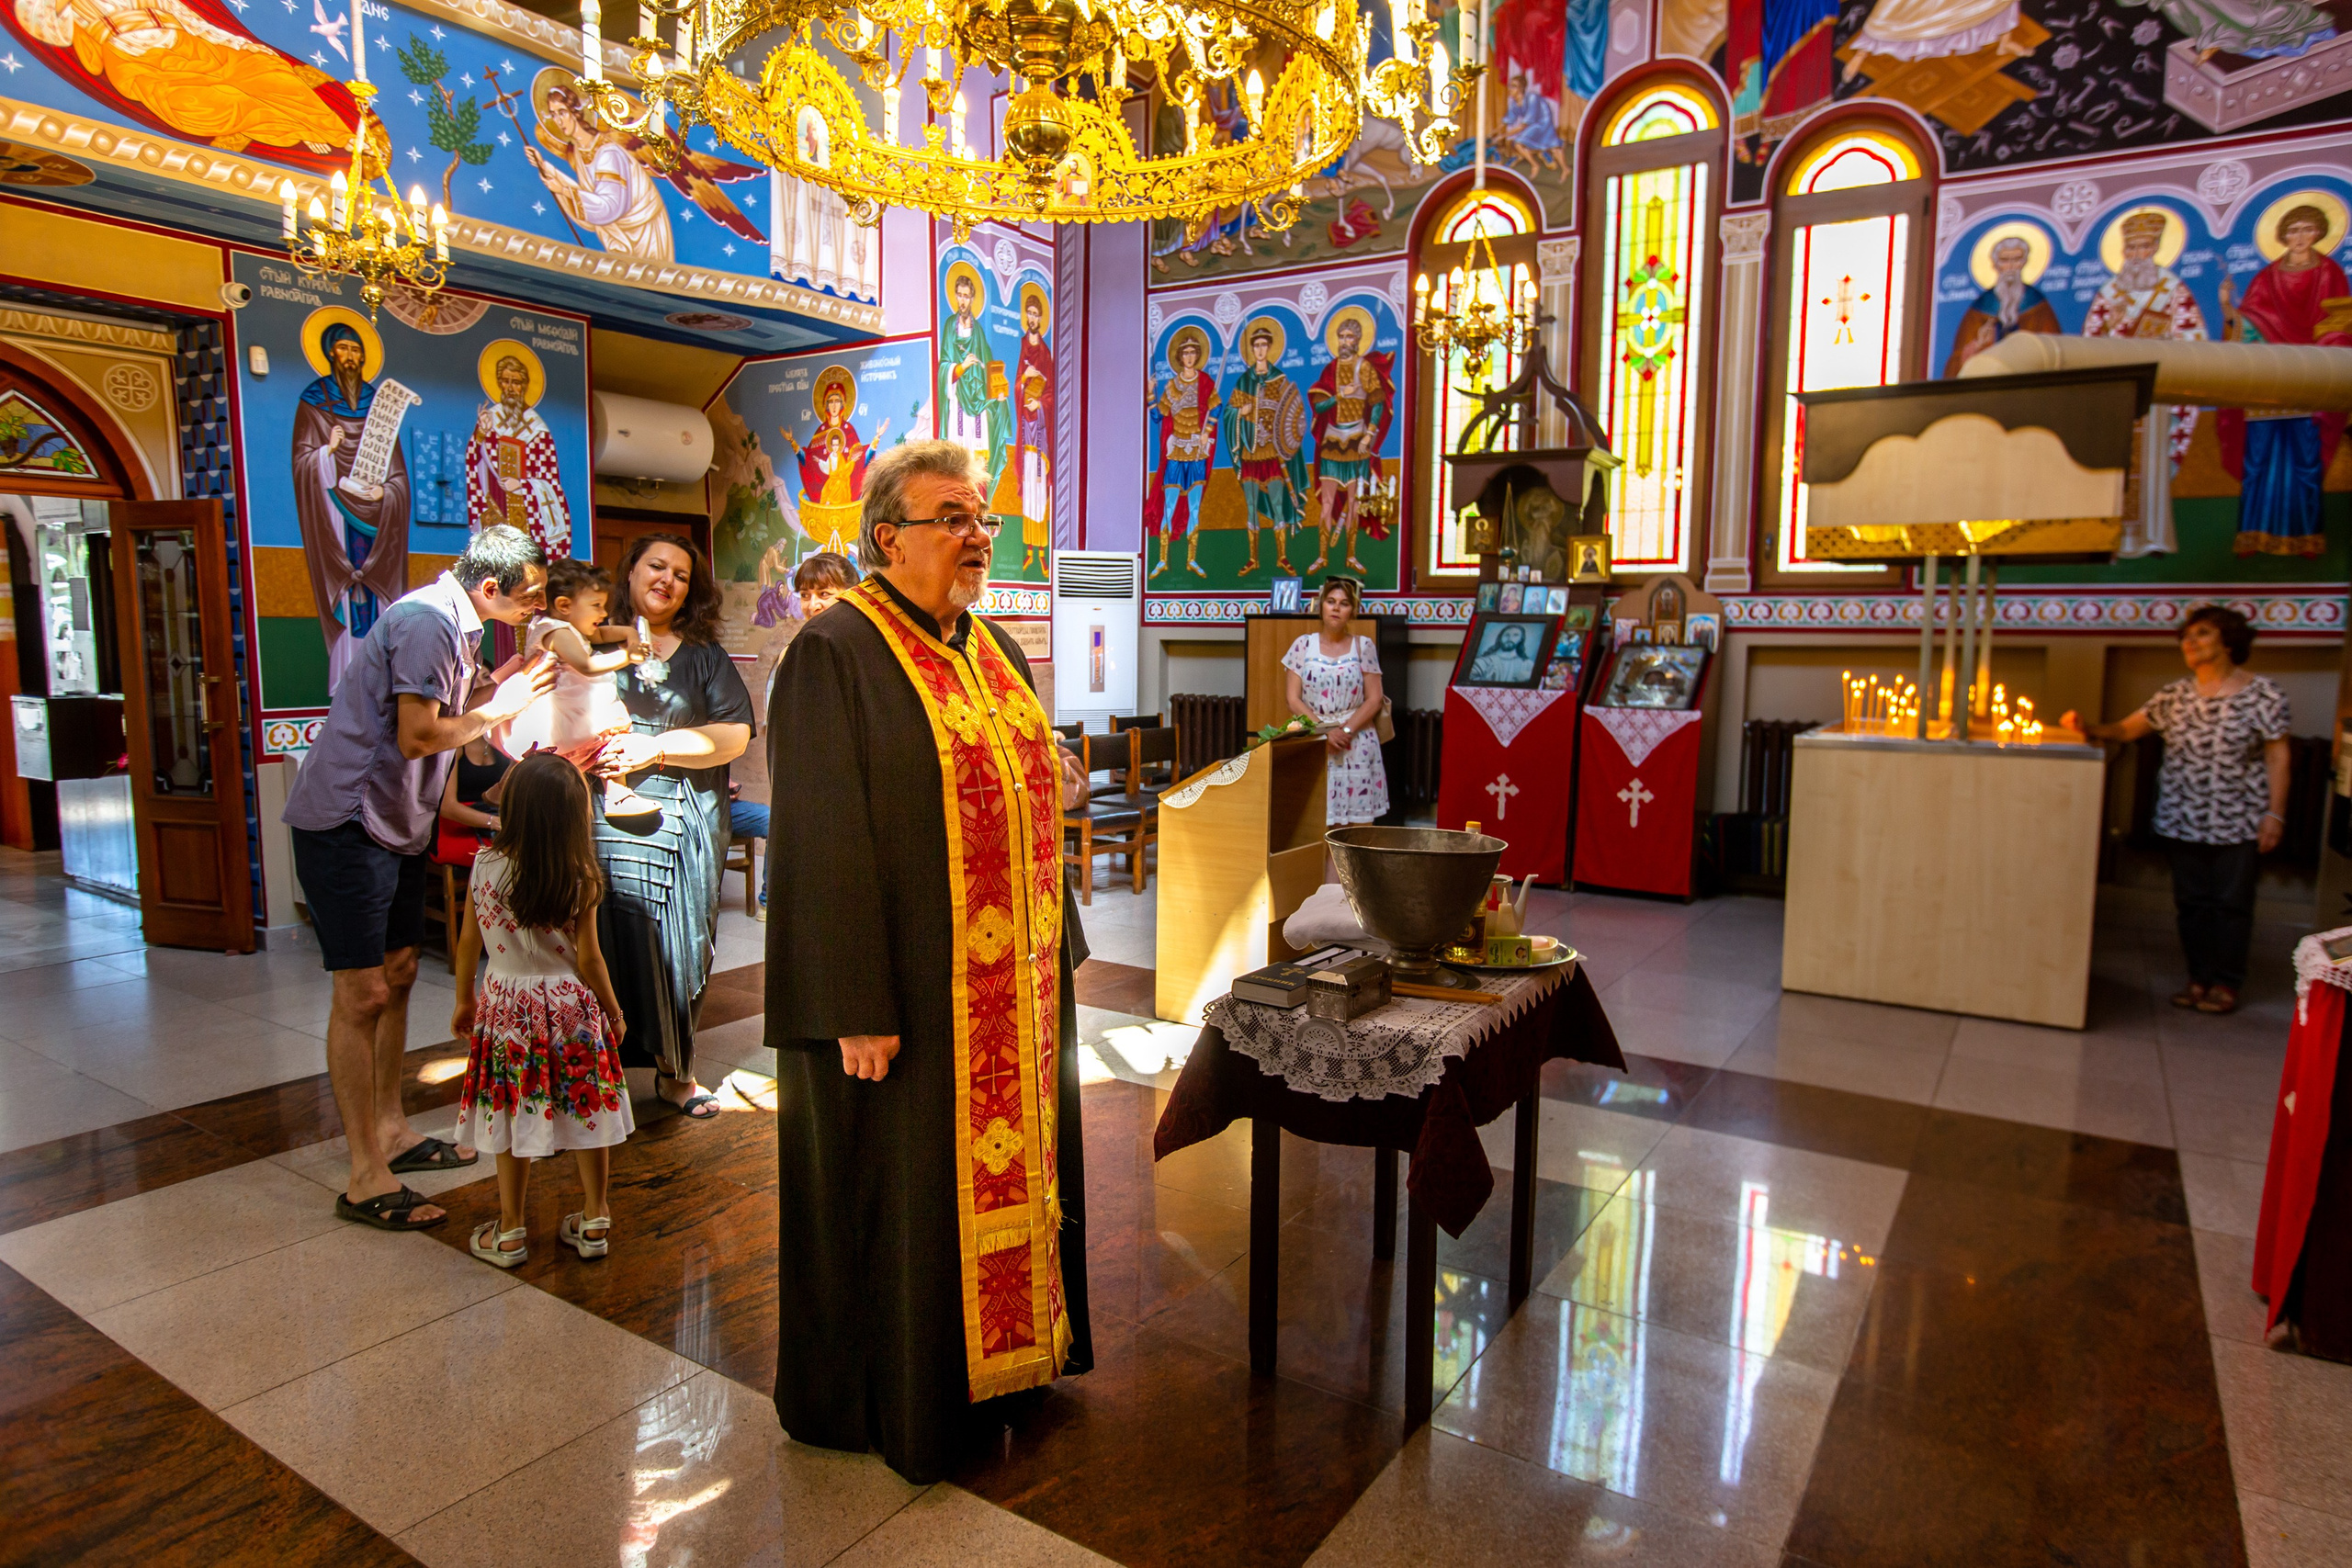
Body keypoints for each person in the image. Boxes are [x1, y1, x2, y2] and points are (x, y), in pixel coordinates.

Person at [766, 438, 1095, 1484]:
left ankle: (1009, 1371)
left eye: (982, 518)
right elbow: (820, 842)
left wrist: (1059, 949)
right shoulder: (835, 653)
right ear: (885, 537)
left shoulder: (995, 646)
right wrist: (850, 1005)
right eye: (952, 516)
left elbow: (1025, 785)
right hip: (904, 994)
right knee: (904, 1203)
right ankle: (908, 1406)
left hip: (1015, 989)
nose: (976, 535)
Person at [281, 525, 557, 1231]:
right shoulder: (427, 622)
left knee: (401, 969)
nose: (540, 603)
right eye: (532, 595)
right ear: (489, 587)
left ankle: (393, 1130)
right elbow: (418, 736)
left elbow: (454, 713)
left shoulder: (461, 628)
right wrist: (499, 706)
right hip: (347, 820)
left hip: (397, 821)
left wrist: (505, 686)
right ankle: (364, 1173)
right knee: (362, 988)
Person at [449, 751, 634, 1268]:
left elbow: (468, 944)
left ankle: (509, 1229)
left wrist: (466, 999)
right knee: (586, 1105)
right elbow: (591, 959)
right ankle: (594, 1217)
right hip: (571, 1004)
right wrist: (614, 1013)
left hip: (508, 1005)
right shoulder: (581, 875)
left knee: (513, 1109)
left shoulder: (485, 865)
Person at [594, 535, 755, 1121]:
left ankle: (674, 1072)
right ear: (630, 571)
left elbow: (733, 735)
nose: (667, 580)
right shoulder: (589, 645)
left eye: (682, 575)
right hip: (597, 819)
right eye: (656, 566)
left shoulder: (704, 656)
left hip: (684, 815)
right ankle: (597, 1077)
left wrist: (653, 748)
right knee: (602, 945)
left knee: (680, 946)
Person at [2064, 605, 2290, 1016]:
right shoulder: (2175, 696)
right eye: (2186, 636)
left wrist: (2274, 814)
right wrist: (2087, 727)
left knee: (2231, 904)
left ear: (2228, 641)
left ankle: (2227, 982)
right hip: (2183, 817)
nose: (2190, 642)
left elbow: (2278, 757)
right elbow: (2126, 729)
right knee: (2192, 903)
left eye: (2202, 634)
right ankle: (2199, 978)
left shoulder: (2263, 695)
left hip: (2238, 820)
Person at [2218, 203, 2352, 558]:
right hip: (2268, 384)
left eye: (2307, 229)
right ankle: (2252, 534)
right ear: (2282, 236)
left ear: (2320, 233)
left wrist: (2323, 358)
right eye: (2293, 230)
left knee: (2306, 461)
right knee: (2258, 461)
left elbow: (2338, 323)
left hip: (2309, 381)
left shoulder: (2329, 272)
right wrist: (2228, 309)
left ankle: (2306, 536)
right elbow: (2249, 323)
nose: (2300, 237)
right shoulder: (2267, 276)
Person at [733, 552, 861, 923]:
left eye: (825, 593)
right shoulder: (797, 648)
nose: (813, 604)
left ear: (851, 592)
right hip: (809, 778)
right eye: (805, 594)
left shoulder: (861, 646)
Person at [524, 558, 657, 820]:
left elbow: (600, 635)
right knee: (613, 733)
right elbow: (586, 665)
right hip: (564, 713)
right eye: (596, 606)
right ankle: (618, 793)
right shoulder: (557, 633)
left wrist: (630, 632)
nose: (602, 614)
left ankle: (502, 787)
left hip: (571, 709)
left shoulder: (571, 627)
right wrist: (627, 656)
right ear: (564, 606)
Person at [1282, 578, 1389, 827]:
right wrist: (1326, 732)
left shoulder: (1364, 646)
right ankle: (1325, 869)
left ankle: (1355, 868)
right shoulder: (1303, 645)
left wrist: (1346, 730)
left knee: (1359, 832)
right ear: (1321, 606)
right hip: (1317, 739)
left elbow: (1374, 699)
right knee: (1320, 825)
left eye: (1344, 603)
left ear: (1352, 611)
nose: (1336, 608)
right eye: (1331, 602)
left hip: (1357, 741)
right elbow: (1292, 699)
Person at [432, 736, 508, 868]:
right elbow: (447, 807)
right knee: (507, 856)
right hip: (456, 827)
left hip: (492, 820)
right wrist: (494, 822)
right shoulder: (456, 746)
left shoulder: (501, 742)